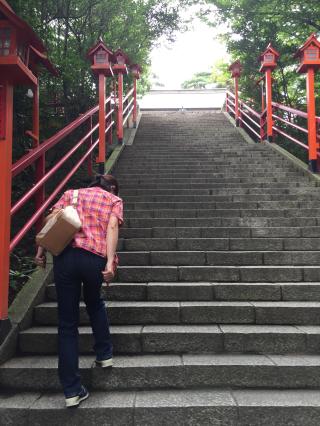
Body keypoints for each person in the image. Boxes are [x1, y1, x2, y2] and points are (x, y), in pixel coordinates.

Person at [35, 174, 123, 408]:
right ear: (109, 188)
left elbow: (52, 221)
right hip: (94, 259)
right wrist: (109, 263)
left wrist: (41, 251)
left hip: (65, 259)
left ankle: (72, 390)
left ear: (91, 185)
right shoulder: (113, 200)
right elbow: (112, 226)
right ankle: (104, 354)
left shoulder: (71, 194)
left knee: (67, 324)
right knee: (95, 303)